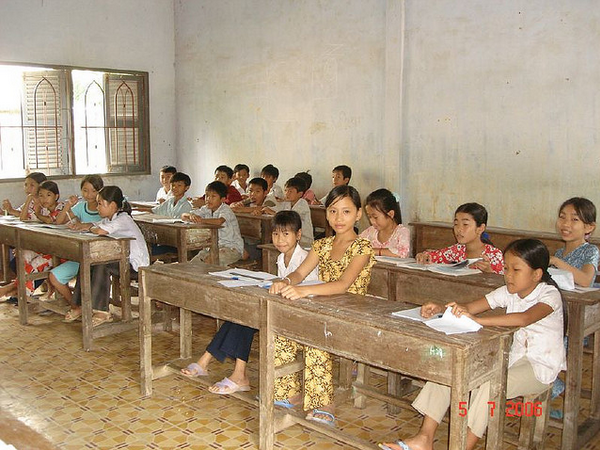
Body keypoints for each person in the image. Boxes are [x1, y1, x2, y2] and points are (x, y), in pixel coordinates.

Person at [379, 239, 566, 450]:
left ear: (536, 274)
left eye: (516, 269)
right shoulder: (507, 291)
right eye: (506, 268)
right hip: (512, 360)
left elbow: (524, 318)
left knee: (489, 386)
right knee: (453, 367)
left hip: (539, 368)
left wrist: (478, 320)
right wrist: (441, 309)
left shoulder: (549, 295)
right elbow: (470, 307)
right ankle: (424, 438)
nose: (508, 274)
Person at [269, 185, 375, 426]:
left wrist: (302, 290)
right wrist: (284, 281)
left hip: (351, 314)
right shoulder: (322, 245)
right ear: (326, 214)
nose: (339, 218)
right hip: (323, 311)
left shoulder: (362, 247)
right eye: (333, 211)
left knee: (316, 341)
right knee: (282, 334)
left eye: (346, 212)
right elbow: (299, 272)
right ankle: (289, 393)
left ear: (358, 214)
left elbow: (343, 284)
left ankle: (324, 402)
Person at [180, 211, 318, 394]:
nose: (280, 239)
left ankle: (234, 373)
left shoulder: (305, 258)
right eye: (275, 234)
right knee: (241, 315)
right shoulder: (281, 257)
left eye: (286, 234)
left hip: (300, 314)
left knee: (247, 317)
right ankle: (212, 364)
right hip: (281, 308)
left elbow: (306, 293)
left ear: (298, 235)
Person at [68, 186, 149, 326]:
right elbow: (96, 224)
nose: (97, 207)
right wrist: (82, 226)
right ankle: (79, 305)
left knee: (102, 264)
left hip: (136, 265)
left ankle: (102, 311)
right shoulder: (110, 218)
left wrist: (89, 227)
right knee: (87, 262)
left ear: (112, 205)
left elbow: (100, 230)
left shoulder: (124, 218)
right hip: (122, 260)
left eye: (100, 204)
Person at [49, 174, 104, 320]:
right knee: (54, 276)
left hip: (99, 256)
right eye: (85, 191)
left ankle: (93, 308)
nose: (89, 195)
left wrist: (85, 226)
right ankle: (76, 306)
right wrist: (68, 205)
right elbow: (59, 222)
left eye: (93, 191)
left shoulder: (104, 208)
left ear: (100, 191)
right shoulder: (81, 207)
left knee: (90, 278)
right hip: (80, 255)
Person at [0, 181, 65, 298]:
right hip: (44, 248)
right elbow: (23, 218)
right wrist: (29, 199)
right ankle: (18, 291)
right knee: (22, 255)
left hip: (60, 251)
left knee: (34, 265)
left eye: (48, 195)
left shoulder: (62, 207)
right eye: (41, 195)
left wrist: (37, 212)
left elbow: (50, 220)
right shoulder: (42, 209)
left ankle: (19, 293)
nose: (44, 199)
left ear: (57, 196)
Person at [415, 202, 504, 274]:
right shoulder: (457, 250)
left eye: (465, 224)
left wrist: (490, 271)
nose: (459, 229)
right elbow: (433, 256)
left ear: (480, 228)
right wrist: (424, 256)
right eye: (456, 224)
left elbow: (504, 282)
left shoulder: (494, 255)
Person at [182, 181, 244, 266]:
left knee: (209, 262)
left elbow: (219, 221)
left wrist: (201, 220)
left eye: (213, 196)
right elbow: (183, 216)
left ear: (222, 199)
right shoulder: (206, 208)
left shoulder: (226, 210)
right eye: (207, 196)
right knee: (192, 265)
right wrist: (191, 215)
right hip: (211, 247)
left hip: (231, 248)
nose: (208, 199)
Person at [550, 197, 599, 287]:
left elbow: (586, 281)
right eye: (562, 217)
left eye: (574, 219)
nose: (565, 224)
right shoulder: (559, 253)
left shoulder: (590, 251)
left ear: (589, 227)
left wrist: (556, 262)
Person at [262, 177, 314, 248]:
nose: (287, 193)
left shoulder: (302, 204)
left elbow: (291, 219)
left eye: (290, 191)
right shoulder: (287, 203)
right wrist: (266, 210)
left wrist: (272, 212)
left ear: (300, 194)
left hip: (304, 240)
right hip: (290, 238)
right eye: (286, 190)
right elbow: (276, 210)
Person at [360, 188, 410, 258]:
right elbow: (356, 246)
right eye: (369, 217)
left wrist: (373, 251)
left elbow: (402, 253)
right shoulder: (370, 232)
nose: (372, 221)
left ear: (390, 214)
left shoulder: (401, 232)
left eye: (375, 217)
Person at [230, 177, 269, 260]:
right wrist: (236, 206)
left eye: (257, 191)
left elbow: (264, 208)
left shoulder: (270, 201)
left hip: (259, 244)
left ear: (265, 192)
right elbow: (233, 207)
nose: (253, 194)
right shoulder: (249, 200)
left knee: (241, 254)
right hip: (244, 240)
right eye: (250, 191)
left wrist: (242, 210)